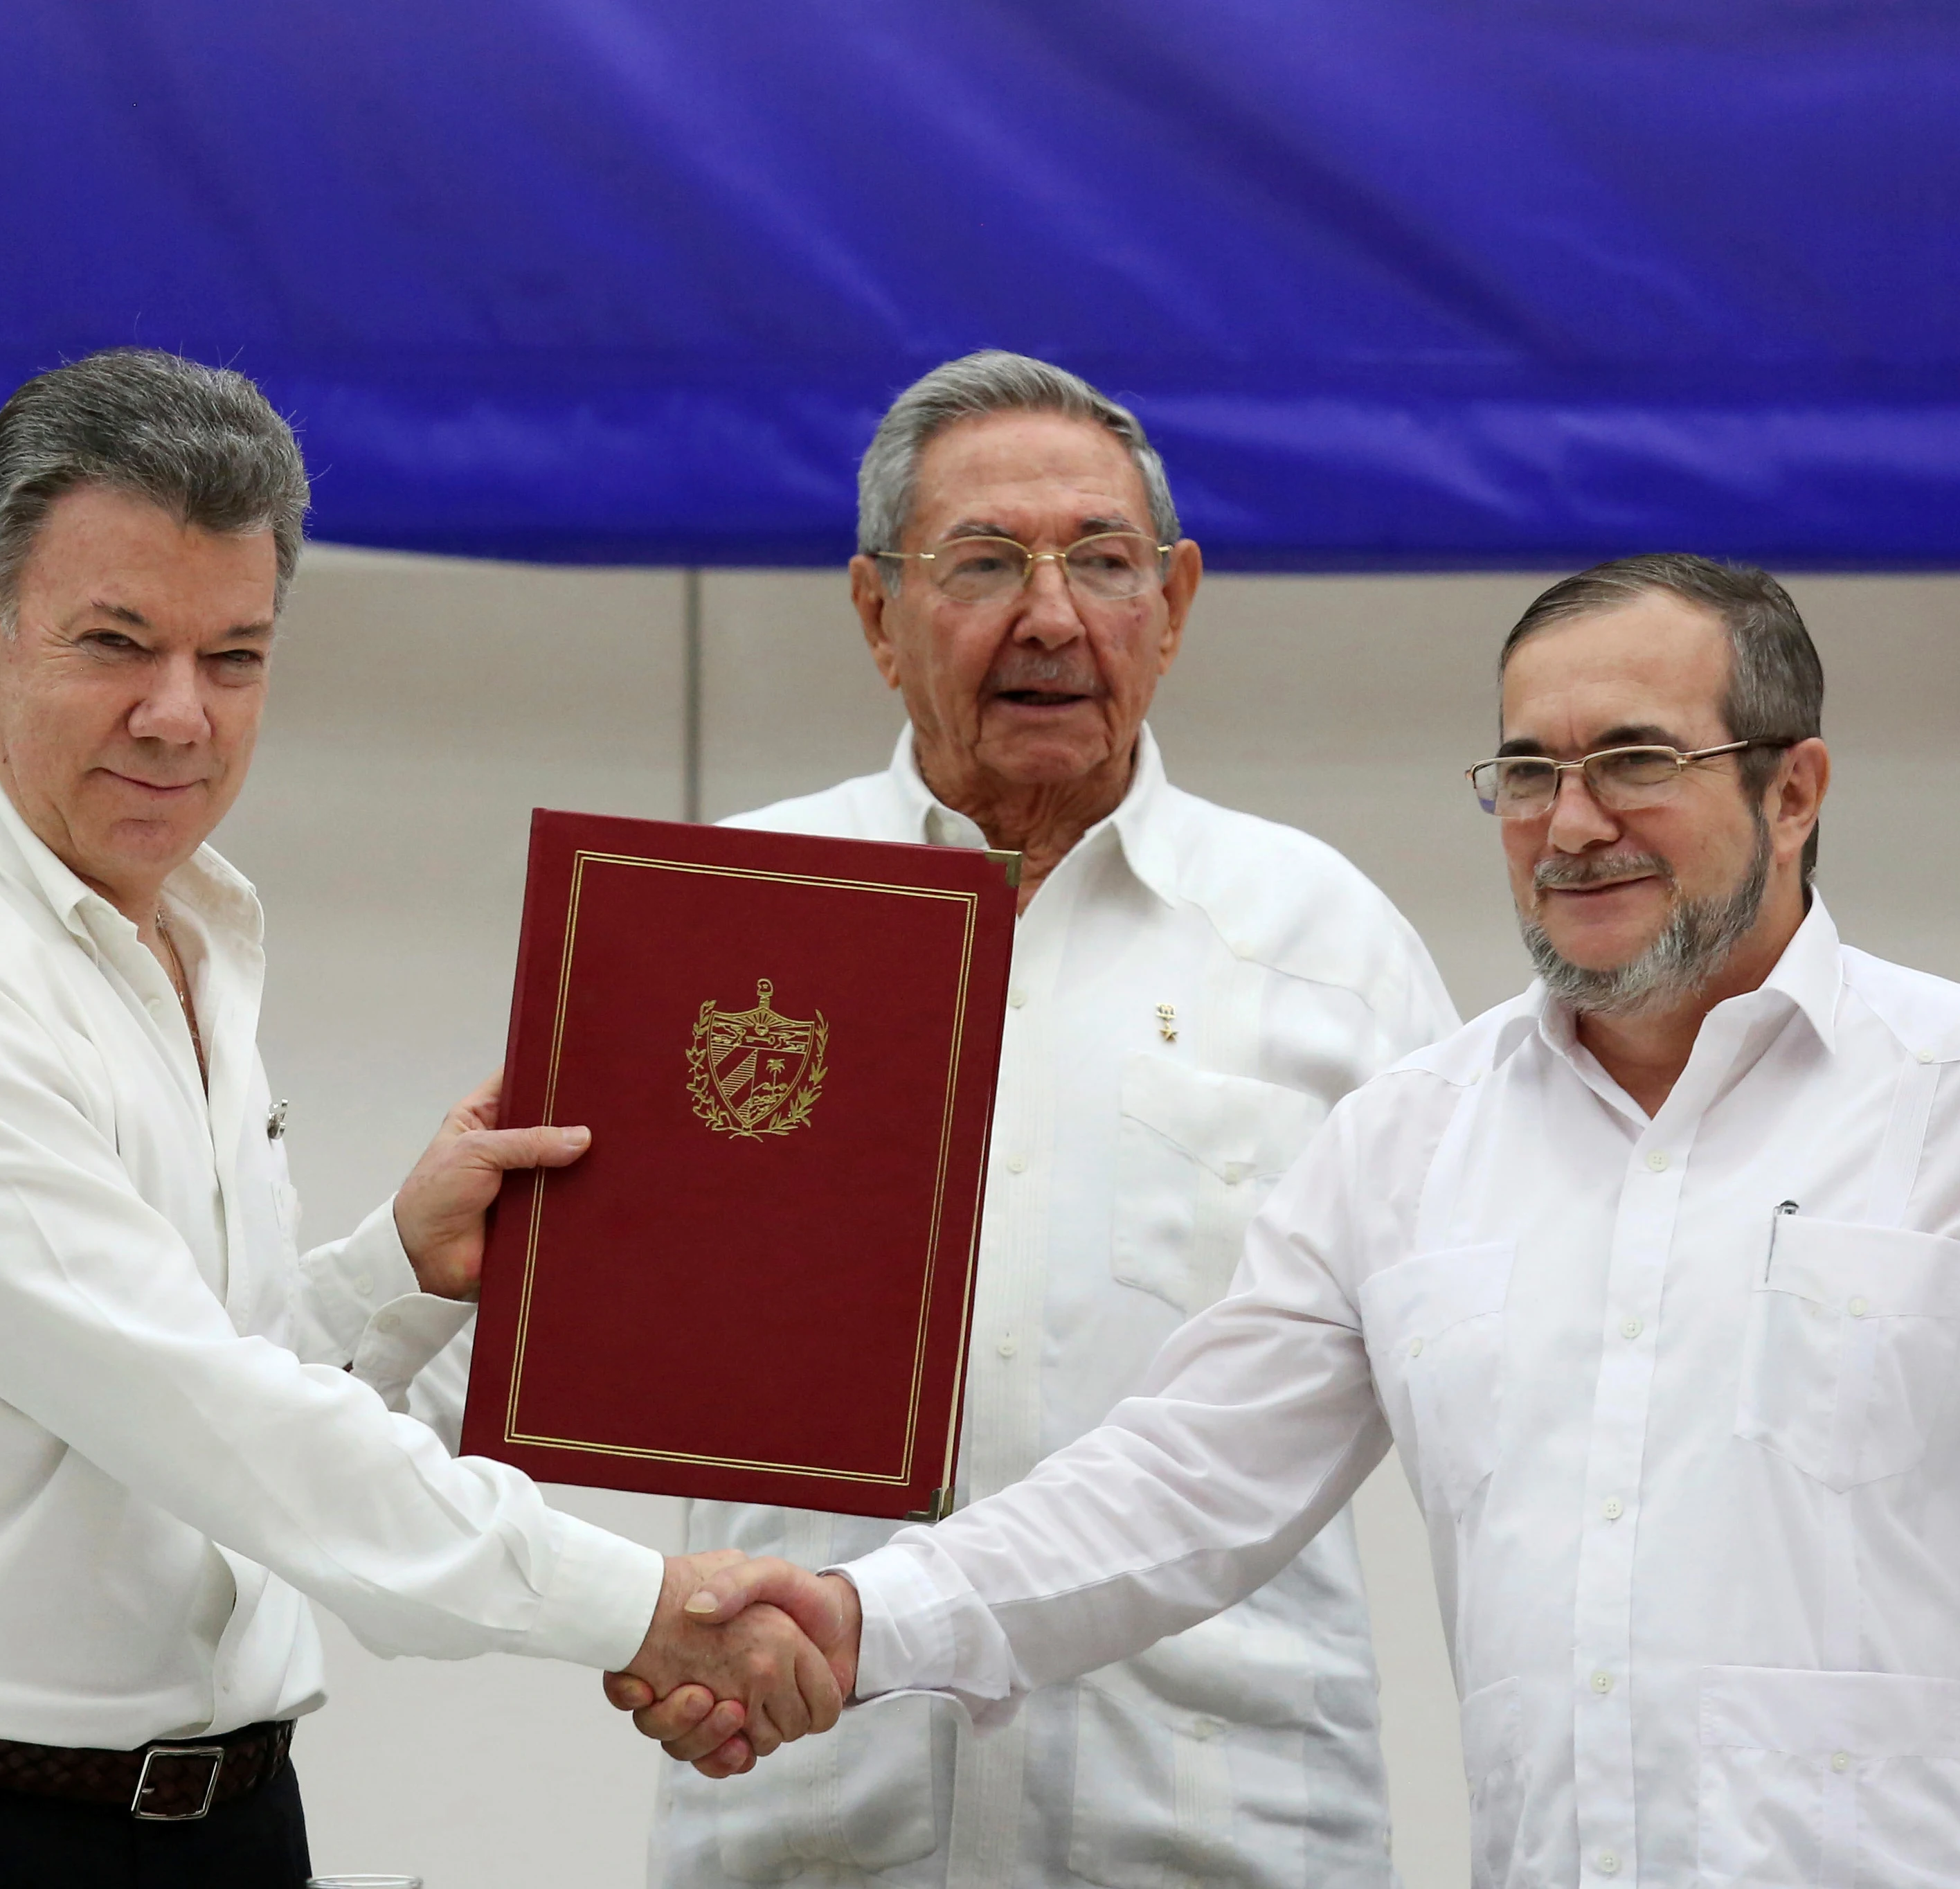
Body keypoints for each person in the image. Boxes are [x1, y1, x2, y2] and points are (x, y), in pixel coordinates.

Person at [634, 555, 1960, 1888]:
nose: (1572, 824)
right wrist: (862, 1617)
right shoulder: (1411, 1141)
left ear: (1795, 790)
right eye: (1529, 772)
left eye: (1636, 759)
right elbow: (1176, 1485)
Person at [0, 348, 841, 1888]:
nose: (178, 714)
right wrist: (644, 1602)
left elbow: (195, 1408)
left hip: (214, 1824)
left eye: (234, 656)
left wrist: (401, 1270)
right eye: (116, 642)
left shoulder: (188, 933)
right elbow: (206, 1417)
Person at [420, 350, 1457, 1886]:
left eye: (1101, 561)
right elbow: (481, 1362)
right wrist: (626, 1607)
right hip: (803, 1818)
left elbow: (1471, 1386)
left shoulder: (1326, 945)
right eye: (981, 562)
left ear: (1173, 600)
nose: (1051, 616)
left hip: (1220, 1836)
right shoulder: (721, 914)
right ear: (874, 612)